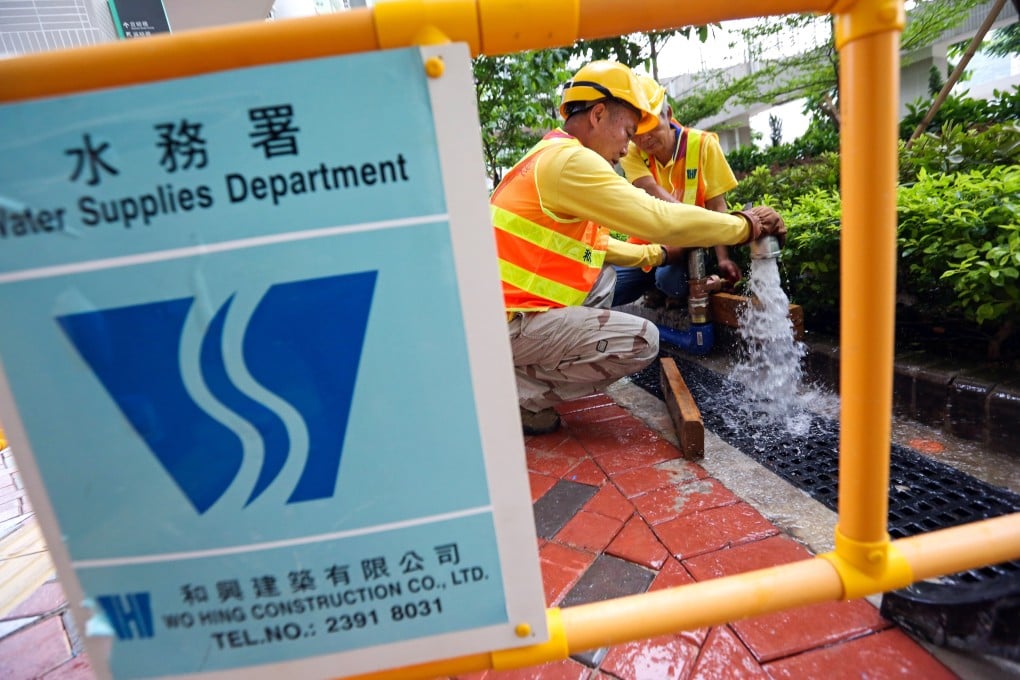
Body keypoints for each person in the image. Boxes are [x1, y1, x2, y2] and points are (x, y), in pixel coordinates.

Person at [490, 60, 785, 435]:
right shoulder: (572, 162)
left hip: (498, 317)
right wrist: (745, 226)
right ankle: (509, 394)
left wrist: (657, 255)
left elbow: (596, 248)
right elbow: (658, 217)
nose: (628, 146)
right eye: (628, 131)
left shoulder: (549, 152)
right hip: (506, 327)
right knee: (642, 341)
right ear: (598, 114)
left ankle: (516, 374)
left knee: (602, 280)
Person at [613, 74, 742, 308]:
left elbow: (717, 206)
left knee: (670, 280)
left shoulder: (703, 145)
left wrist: (723, 258)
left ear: (669, 114)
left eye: (651, 127)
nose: (645, 138)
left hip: (690, 247)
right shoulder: (631, 152)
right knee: (609, 287)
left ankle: (665, 287)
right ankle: (654, 286)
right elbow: (648, 187)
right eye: (636, 132)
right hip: (648, 248)